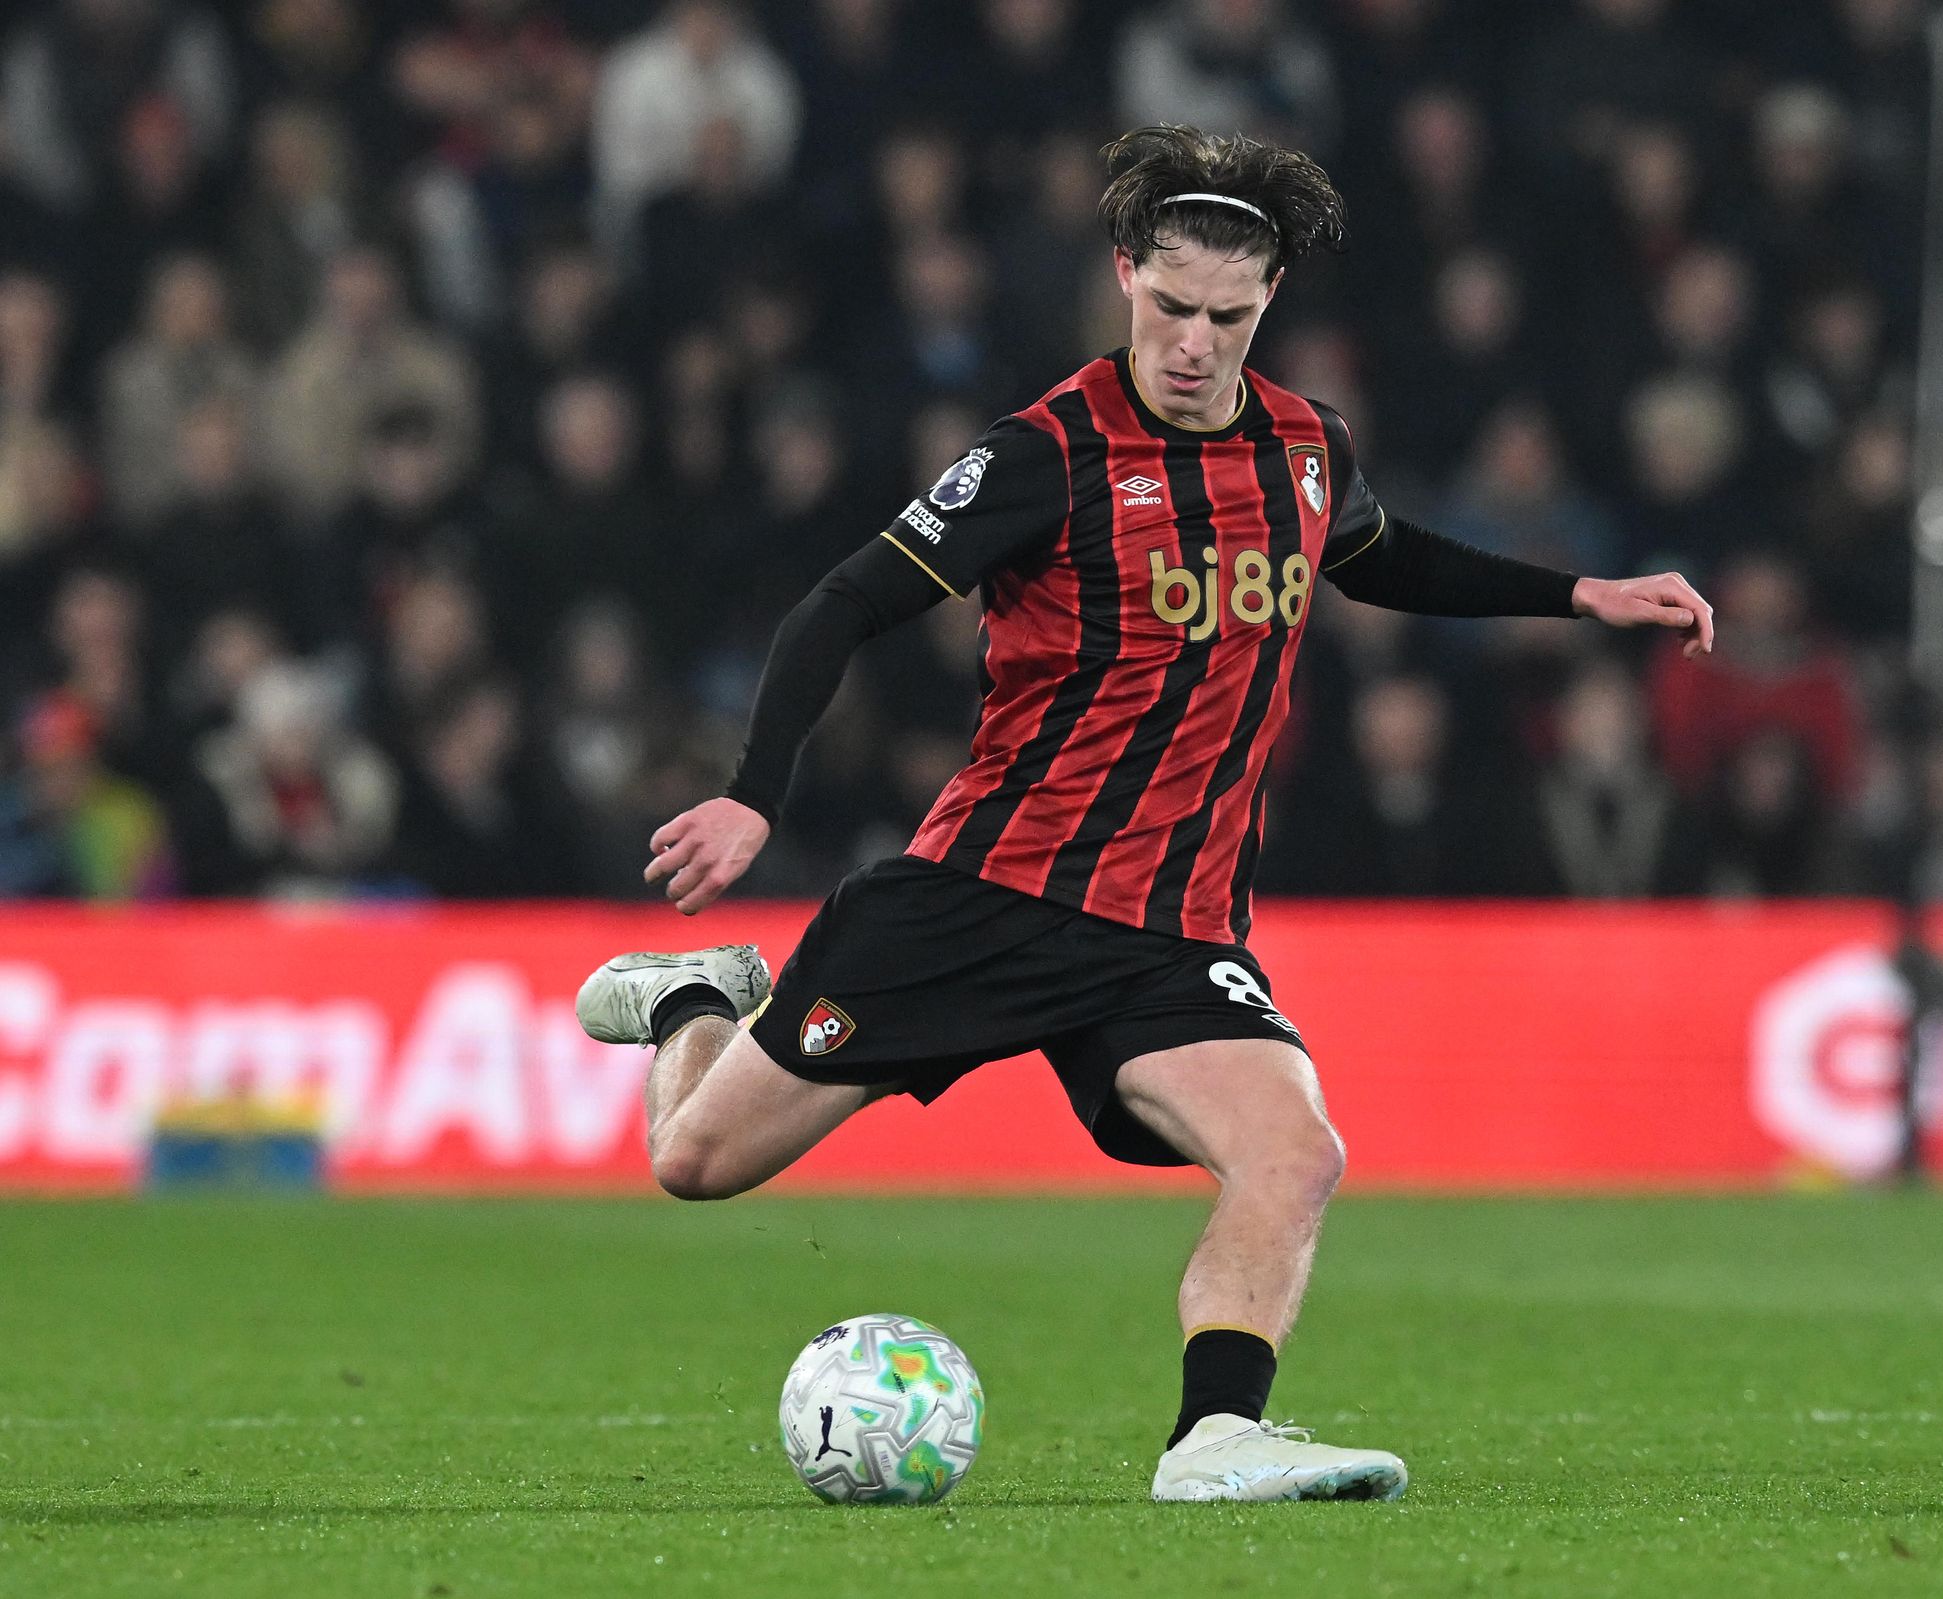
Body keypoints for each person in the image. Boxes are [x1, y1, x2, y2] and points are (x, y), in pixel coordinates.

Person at [572, 126, 1714, 1504]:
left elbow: (1382, 555)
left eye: (1226, 318)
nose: (1193, 343)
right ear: (1124, 275)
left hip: (1169, 930)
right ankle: (698, 1000)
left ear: (1268, 303)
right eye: (1169, 307)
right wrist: (758, 796)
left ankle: (1211, 1438)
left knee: (1296, 1155)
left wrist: (1577, 597)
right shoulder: (1044, 455)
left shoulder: (1303, 448)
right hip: (984, 895)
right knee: (696, 1164)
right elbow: (843, 604)